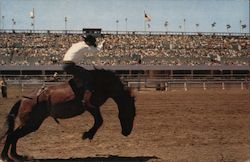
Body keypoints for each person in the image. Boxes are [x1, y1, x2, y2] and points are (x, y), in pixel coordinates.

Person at [63, 35, 105, 108]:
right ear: (89, 42)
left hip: (67, 64)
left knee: (82, 75)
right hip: (71, 65)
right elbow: (96, 50)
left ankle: (78, 92)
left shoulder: (78, 44)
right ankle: (86, 100)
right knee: (89, 77)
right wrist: (102, 44)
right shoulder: (85, 47)